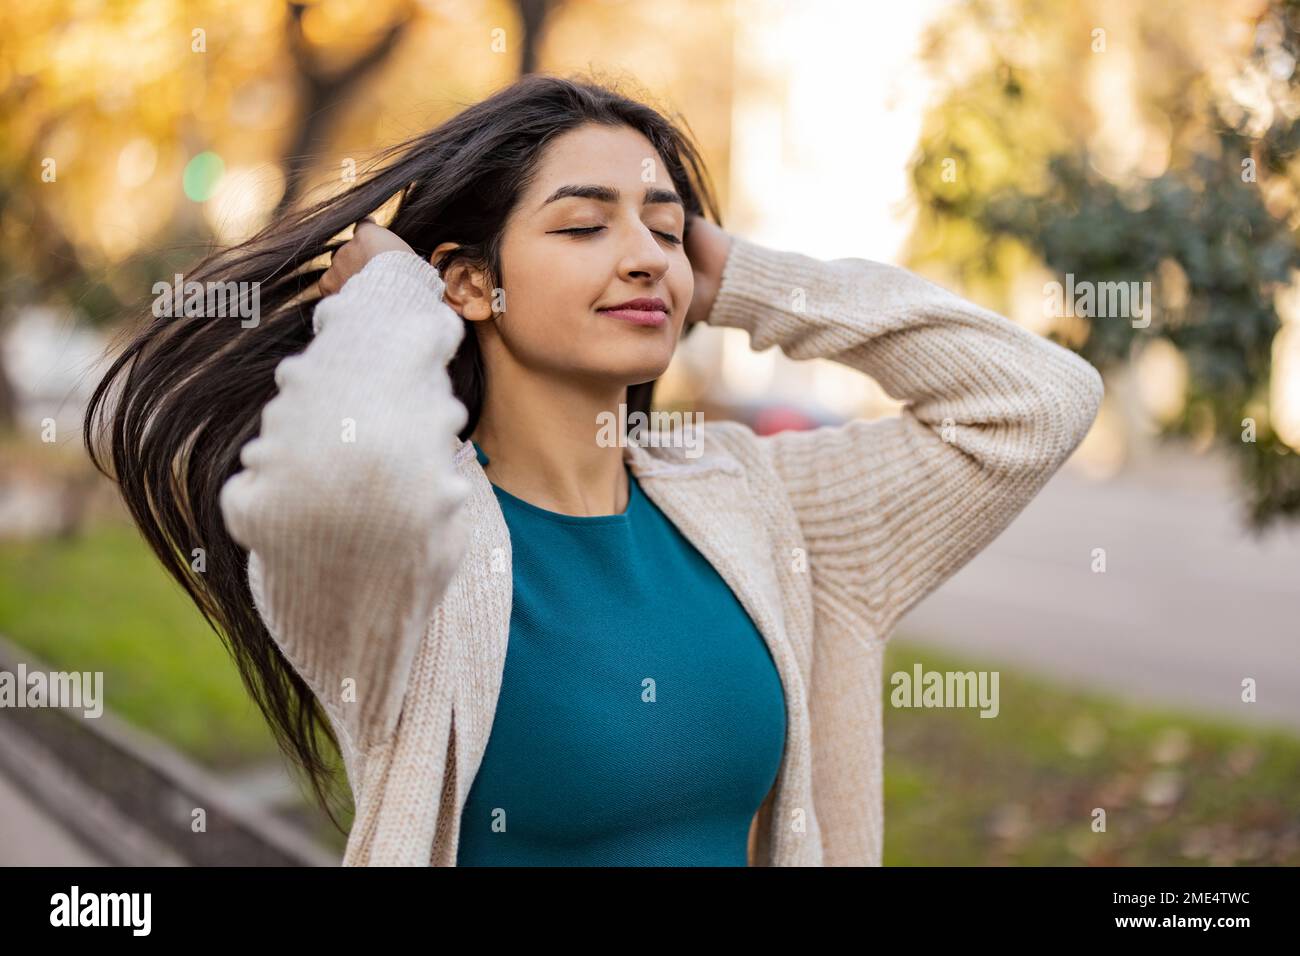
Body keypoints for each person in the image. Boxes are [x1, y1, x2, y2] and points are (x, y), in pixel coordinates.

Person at [85, 73, 1104, 866]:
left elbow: (1033, 402)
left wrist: (744, 278)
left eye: (662, 228)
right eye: (583, 225)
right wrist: (392, 301)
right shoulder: (421, 558)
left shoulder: (757, 503)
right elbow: (338, 487)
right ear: (472, 283)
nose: (644, 255)